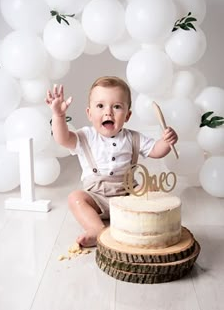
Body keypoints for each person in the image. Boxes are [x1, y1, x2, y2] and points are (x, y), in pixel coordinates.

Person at [45, 76, 178, 247]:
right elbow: (62, 139)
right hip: (96, 197)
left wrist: (166, 142)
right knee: (75, 198)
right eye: (100, 106)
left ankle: (139, 223)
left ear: (128, 115)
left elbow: (156, 151)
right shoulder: (86, 136)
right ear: (89, 113)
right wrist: (59, 115)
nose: (108, 112)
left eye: (117, 106)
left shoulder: (133, 137)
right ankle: (96, 229)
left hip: (128, 194)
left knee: (150, 189)